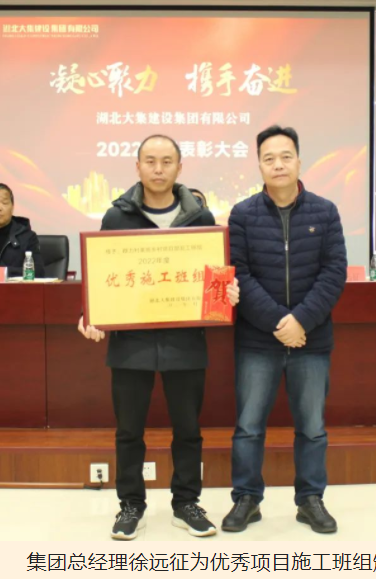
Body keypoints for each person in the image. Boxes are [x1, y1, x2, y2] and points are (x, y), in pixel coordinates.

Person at [77, 134, 240, 540]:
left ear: (179, 168)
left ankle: (186, 503)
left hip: (185, 341)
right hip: (131, 343)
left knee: (188, 429)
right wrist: (91, 313)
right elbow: (103, 277)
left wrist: (226, 293)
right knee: (129, 431)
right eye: (150, 161)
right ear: (137, 167)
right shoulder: (116, 218)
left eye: (167, 161)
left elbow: (215, 281)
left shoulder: (201, 219)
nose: (158, 168)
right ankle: (131, 505)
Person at [222, 125, 347, 534]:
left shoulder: (325, 212)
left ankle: (310, 500)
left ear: (299, 161)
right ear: (259, 165)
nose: (278, 164)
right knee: (248, 426)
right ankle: (246, 499)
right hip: (258, 340)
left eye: (285, 156)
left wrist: (301, 321)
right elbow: (240, 275)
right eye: (269, 158)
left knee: (312, 427)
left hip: (311, 339)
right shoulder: (242, 214)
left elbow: (334, 273)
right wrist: (281, 323)